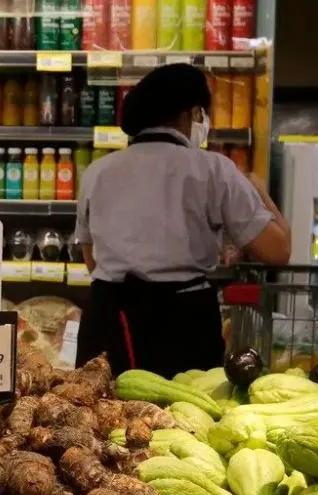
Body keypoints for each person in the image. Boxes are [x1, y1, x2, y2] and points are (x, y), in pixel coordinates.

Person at [74, 63, 290, 377]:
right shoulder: (214, 169)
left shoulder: (97, 171)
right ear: (190, 114)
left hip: (109, 318)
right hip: (183, 322)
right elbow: (278, 251)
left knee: (100, 403)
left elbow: (90, 256)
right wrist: (259, 190)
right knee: (186, 405)